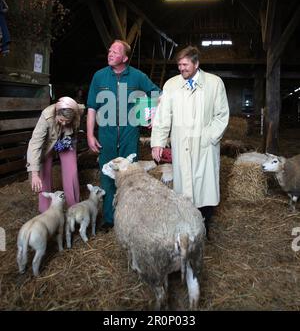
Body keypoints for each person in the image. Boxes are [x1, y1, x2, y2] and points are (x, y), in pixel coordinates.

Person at [151, 45, 229, 238]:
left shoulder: (214, 83)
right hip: (181, 144)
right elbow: (163, 116)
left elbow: (222, 115)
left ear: (196, 64)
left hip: (205, 146)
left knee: (206, 189)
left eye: (185, 64)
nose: (181, 68)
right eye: (179, 65)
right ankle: (187, 229)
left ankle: (204, 228)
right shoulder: (171, 85)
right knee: (184, 189)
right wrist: (158, 142)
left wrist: (209, 137)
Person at [87, 39, 160, 232]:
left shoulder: (137, 76)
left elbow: (157, 93)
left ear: (125, 58)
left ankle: (130, 216)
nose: (110, 54)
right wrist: (89, 135)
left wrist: (151, 114)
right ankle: (110, 219)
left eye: (115, 52)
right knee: (107, 174)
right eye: (109, 51)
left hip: (130, 131)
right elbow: (92, 107)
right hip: (106, 133)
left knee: (131, 175)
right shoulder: (99, 76)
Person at [26, 96, 85, 213]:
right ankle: (46, 211)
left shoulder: (78, 110)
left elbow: (79, 115)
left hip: (67, 138)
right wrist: (34, 174)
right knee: (44, 173)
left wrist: (68, 133)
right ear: (56, 113)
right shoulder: (46, 116)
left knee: (71, 172)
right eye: (61, 119)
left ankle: (74, 208)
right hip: (47, 141)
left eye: (67, 121)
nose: (63, 123)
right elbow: (35, 144)